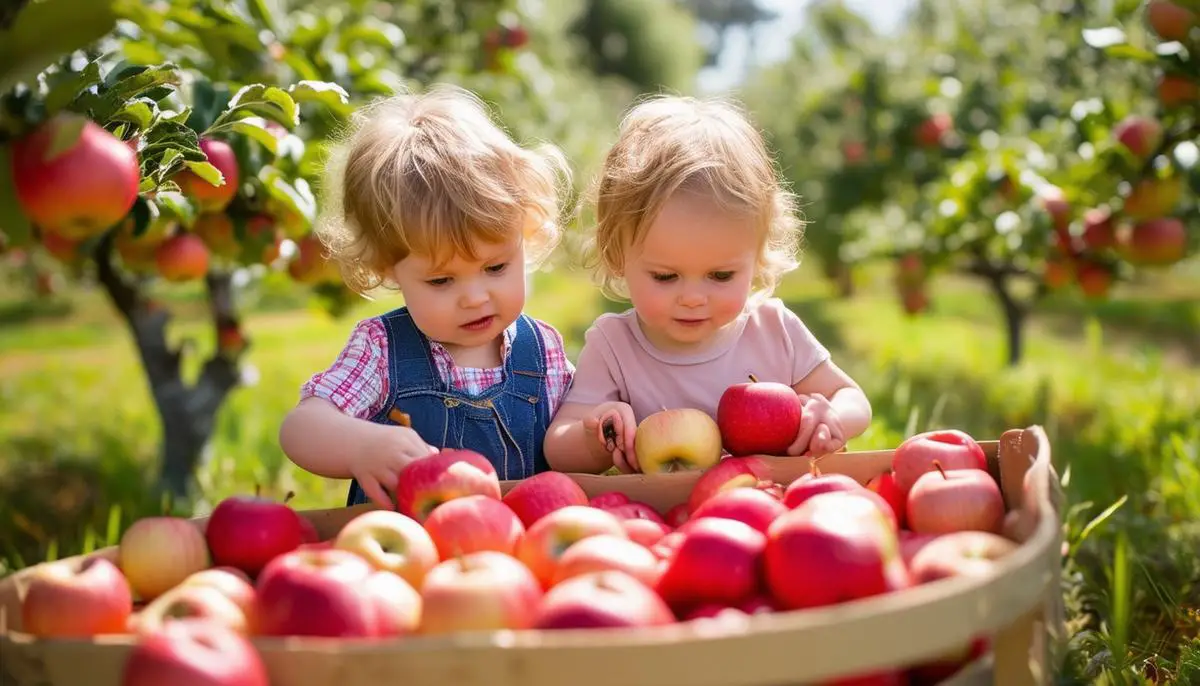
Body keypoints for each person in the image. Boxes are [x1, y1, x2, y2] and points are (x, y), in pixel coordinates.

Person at [279, 85, 575, 509]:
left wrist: (593, 431)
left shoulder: (542, 351)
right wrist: (360, 445)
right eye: (441, 281)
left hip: (518, 558)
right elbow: (301, 428)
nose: (475, 297)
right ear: (387, 267)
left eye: (495, 268)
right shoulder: (383, 350)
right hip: (409, 559)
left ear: (523, 234)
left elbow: (570, 436)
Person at [543, 94, 872, 474]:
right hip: (662, 522)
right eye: (665, 277)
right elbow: (558, 447)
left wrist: (831, 417)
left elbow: (853, 399)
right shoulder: (614, 346)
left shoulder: (773, 331)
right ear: (617, 256)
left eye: (721, 276)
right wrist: (597, 433)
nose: (694, 298)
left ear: (757, 257)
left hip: (771, 511)